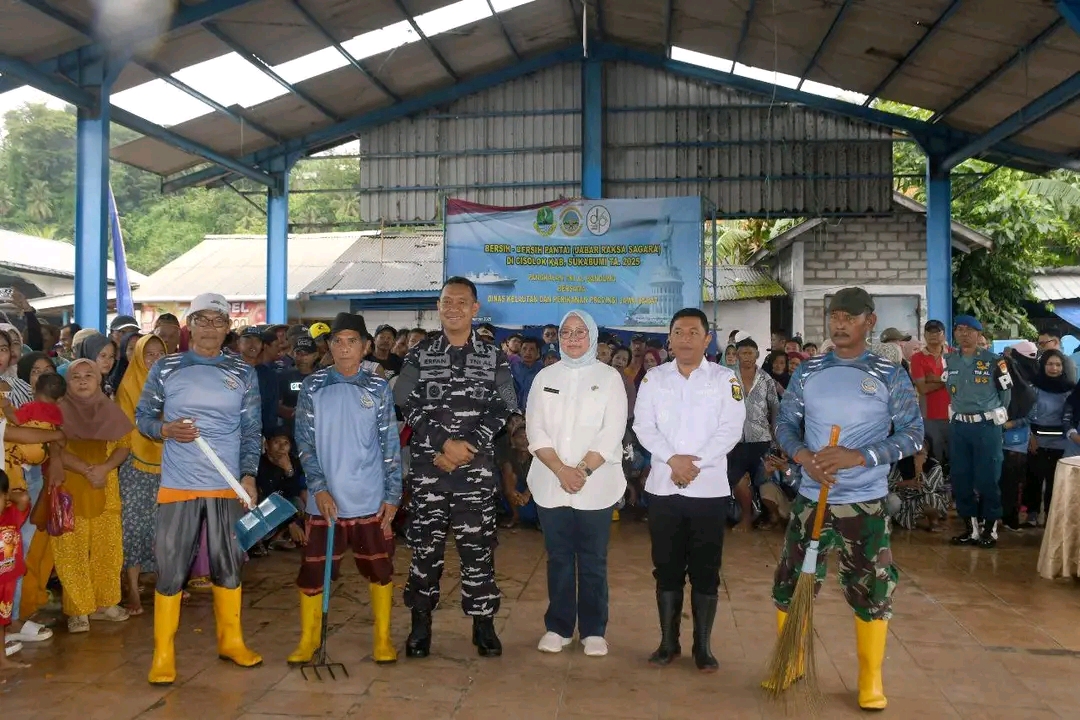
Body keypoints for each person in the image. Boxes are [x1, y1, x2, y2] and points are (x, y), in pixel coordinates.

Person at [771, 287, 923, 710]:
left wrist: (861, 455)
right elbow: (785, 422)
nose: (839, 324)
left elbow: (912, 434)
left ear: (869, 322)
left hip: (865, 502)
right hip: (810, 496)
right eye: (834, 316)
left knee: (872, 588)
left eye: (849, 317)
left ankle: (870, 679)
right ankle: (792, 659)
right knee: (792, 582)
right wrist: (803, 456)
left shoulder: (889, 375)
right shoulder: (808, 371)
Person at [135, 293, 262, 685]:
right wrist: (165, 430)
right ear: (190, 325)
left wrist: (249, 475)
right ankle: (162, 654)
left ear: (228, 327)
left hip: (226, 484)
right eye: (202, 320)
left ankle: (232, 640)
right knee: (171, 568)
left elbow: (251, 430)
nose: (210, 327)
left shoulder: (243, 371)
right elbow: (142, 417)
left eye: (218, 320)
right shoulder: (167, 367)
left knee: (228, 564)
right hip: (178, 483)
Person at [394, 277, 517, 659]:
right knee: (424, 549)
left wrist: (469, 446)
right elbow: (403, 400)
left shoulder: (493, 356)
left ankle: (483, 625)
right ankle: (420, 626)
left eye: (462, 302)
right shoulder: (419, 353)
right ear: (439, 306)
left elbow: (505, 405)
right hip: (430, 469)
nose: (453, 308)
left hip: (475, 472)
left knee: (477, 548)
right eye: (447, 301)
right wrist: (442, 443)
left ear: (475, 308)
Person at [633, 308, 745, 672]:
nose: (684, 339)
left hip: (708, 488)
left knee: (705, 569)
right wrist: (672, 460)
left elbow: (730, 430)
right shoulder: (653, 378)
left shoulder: (725, 379)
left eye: (692, 332)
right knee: (665, 568)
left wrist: (693, 464)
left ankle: (703, 646)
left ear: (706, 338)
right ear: (669, 338)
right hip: (664, 487)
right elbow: (643, 426)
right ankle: (668, 643)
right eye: (678, 332)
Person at [290, 312, 402, 666]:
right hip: (326, 503)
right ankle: (308, 640)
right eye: (337, 341)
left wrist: (392, 496)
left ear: (366, 347)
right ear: (329, 346)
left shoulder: (378, 388)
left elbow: (389, 447)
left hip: (369, 499)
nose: (343, 347)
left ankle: (382, 639)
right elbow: (304, 443)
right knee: (313, 572)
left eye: (352, 341)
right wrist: (319, 488)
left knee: (380, 570)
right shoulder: (313, 387)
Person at [524, 310, 628, 658]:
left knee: (594, 560)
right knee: (559, 559)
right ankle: (559, 627)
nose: (571, 338)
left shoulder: (610, 377)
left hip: (596, 485)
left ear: (592, 336)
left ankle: (594, 631)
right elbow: (534, 429)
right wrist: (559, 470)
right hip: (551, 483)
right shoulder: (544, 378)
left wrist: (581, 471)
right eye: (566, 332)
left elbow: (612, 431)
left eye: (579, 332)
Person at [55, 359, 133, 633]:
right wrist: (87, 469)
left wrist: (105, 469)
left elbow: (124, 445)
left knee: (108, 547)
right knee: (70, 549)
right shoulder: (58, 411)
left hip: (105, 486)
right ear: (68, 382)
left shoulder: (110, 409)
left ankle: (105, 603)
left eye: (90, 375)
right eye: (76, 376)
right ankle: (78, 610)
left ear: (100, 380)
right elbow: (53, 447)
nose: (84, 380)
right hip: (70, 488)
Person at [947, 315, 1012, 548]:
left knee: (987, 478)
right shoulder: (950, 360)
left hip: (986, 426)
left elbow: (1006, 394)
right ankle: (970, 528)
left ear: (978, 334)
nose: (964, 334)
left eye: (969, 330)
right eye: (959, 329)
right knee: (961, 477)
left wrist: (995, 416)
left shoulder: (994, 361)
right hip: (959, 426)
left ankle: (989, 529)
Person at [116, 335, 168, 615]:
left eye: (161, 353)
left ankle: (166, 586)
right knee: (134, 527)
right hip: (135, 463)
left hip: (169, 464)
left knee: (164, 528)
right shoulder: (127, 387)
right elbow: (128, 426)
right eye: (149, 354)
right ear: (137, 357)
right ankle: (133, 590)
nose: (155, 359)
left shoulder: (173, 384)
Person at [729, 337, 780, 531]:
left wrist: (776, 436)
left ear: (757, 354)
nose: (747, 357)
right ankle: (746, 518)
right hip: (735, 439)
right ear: (737, 355)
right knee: (737, 478)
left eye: (750, 353)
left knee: (763, 481)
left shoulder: (766, 379)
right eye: (743, 353)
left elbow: (775, 408)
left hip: (761, 438)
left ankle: (773, 515)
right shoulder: (728, 377)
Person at [1023, 349, 1074, 527]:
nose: (1054, 368)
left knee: (1056, 481)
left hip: (1062, 442)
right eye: (1050, 364)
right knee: (1034, 478)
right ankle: (1032, 513)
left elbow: (1072, 416)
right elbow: (1026, 413)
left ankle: (1052, 516)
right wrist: (1030, 436)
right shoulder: (1033, 386)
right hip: (1037, 440)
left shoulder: (1070, 389)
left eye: (1058, 365)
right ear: (1043, 365)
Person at [0, 470, 31, 671]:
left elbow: (24, 498)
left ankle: (1, 660)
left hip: (7, 582)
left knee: (2, 623)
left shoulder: (12, 514)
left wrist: (6, 494)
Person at [909, 319, 951, 465]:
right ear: (925, 335)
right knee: (935, 458)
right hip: (930, 415)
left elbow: (961, 382)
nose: (933, 335)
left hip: (955, 414)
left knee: (956, 458)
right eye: (929, 332)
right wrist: (947, 380)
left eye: (937, 332)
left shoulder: (954, 355)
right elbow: (923, 388)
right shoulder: (917, 358)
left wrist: (936, 379)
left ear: (944, 335)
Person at [886, 448, 947, 531]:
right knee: (892, 500)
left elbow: (929, 490)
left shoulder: (934, 466)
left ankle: (934, 523)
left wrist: (919, 468)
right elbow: (888, 484)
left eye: (924, 452)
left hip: (925, 497)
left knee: (931, 498)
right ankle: (893, 520)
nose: (923, 455)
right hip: (905, 498)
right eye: (918, 453)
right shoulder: (901, 463)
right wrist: (905, 483)